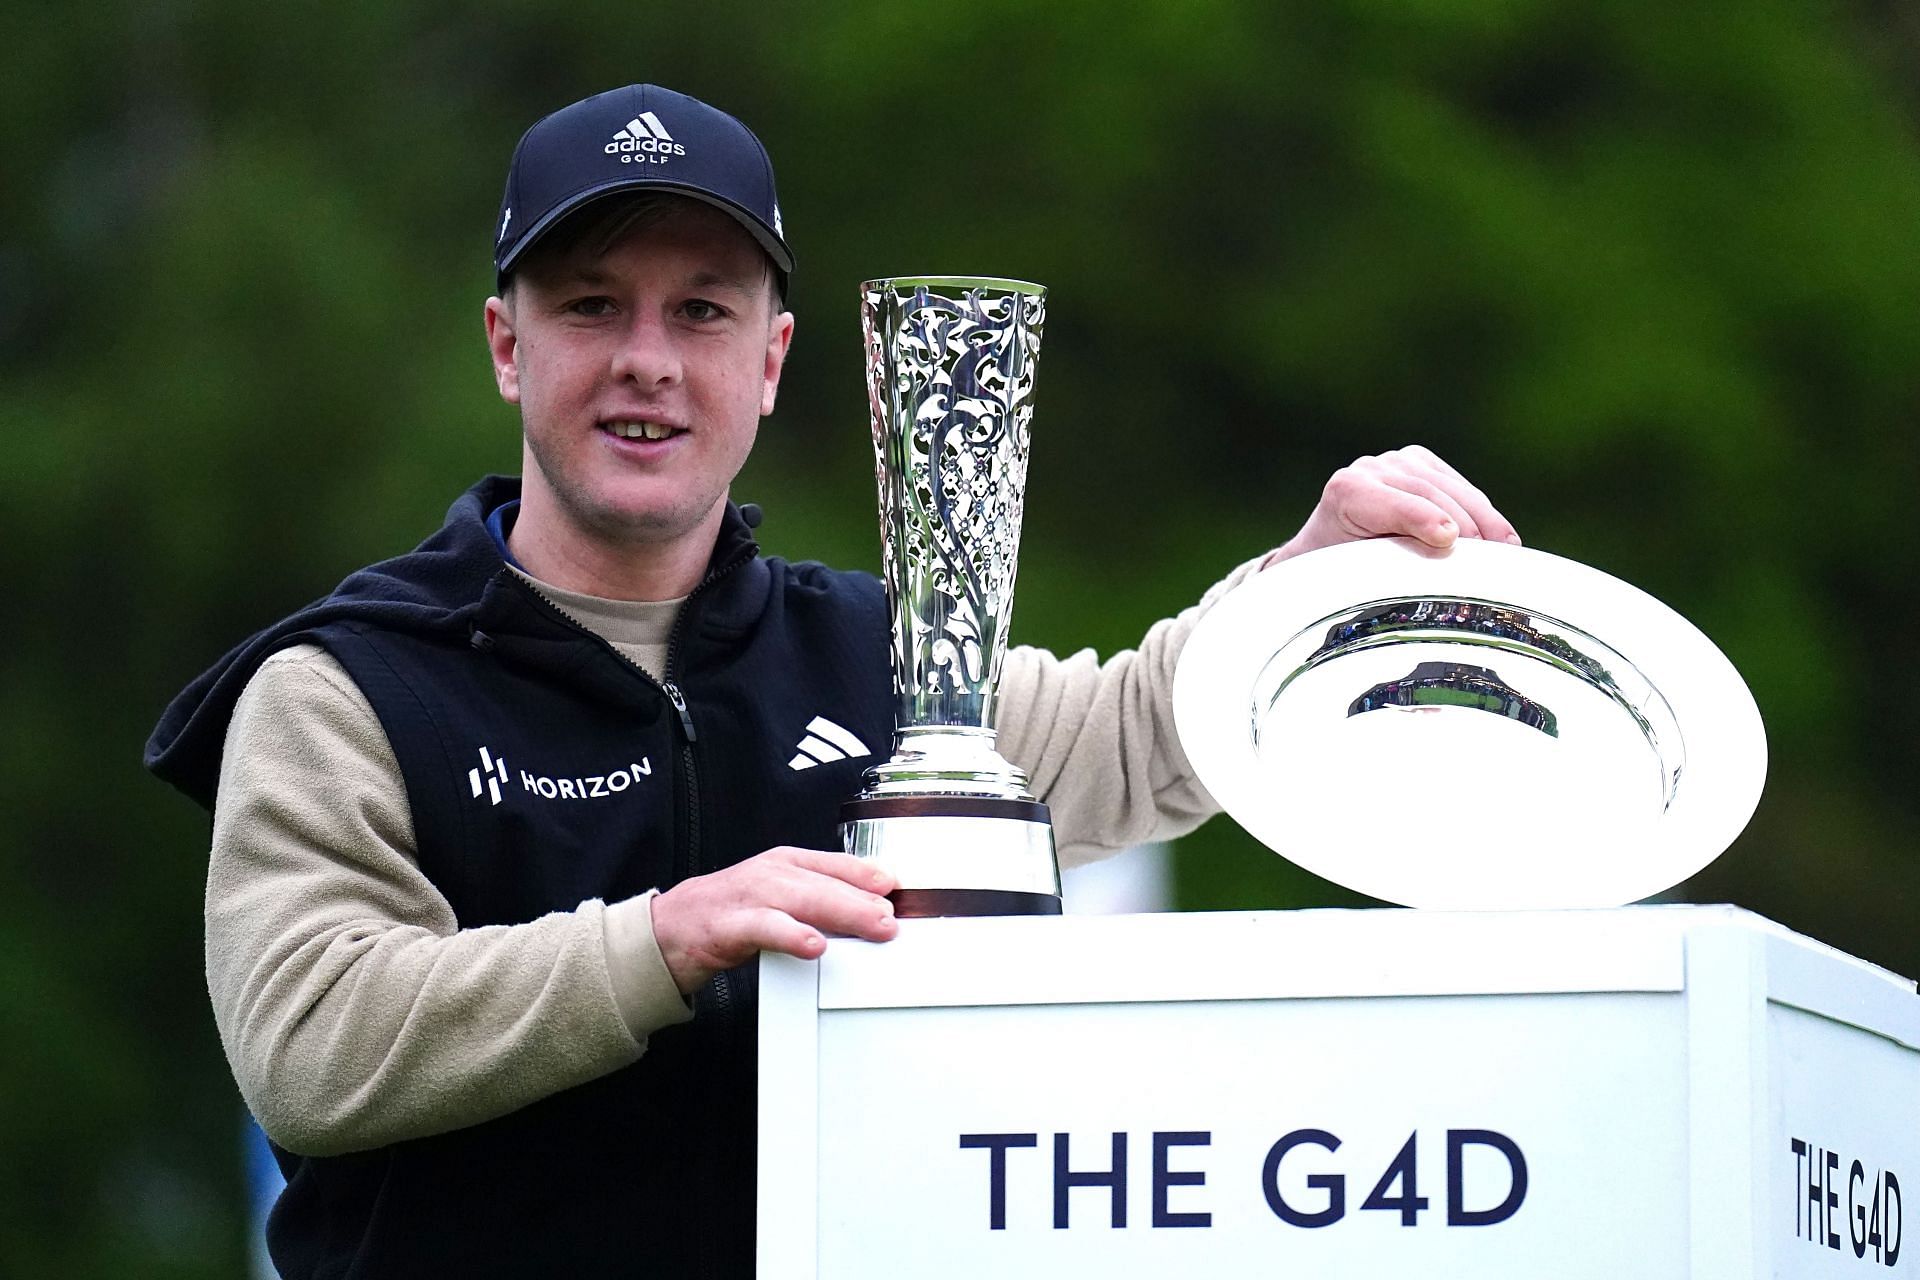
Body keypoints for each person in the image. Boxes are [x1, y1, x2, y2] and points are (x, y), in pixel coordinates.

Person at [144, 83, 1519, 1278]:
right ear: (509, 345)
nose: (648, 362)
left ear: (774, 360)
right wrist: (668, 938)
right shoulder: (351, 688)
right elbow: (311, 1040)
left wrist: (1309, 584)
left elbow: (1145, 736)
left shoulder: (883, 657)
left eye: (701, 311)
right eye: (589, 307)